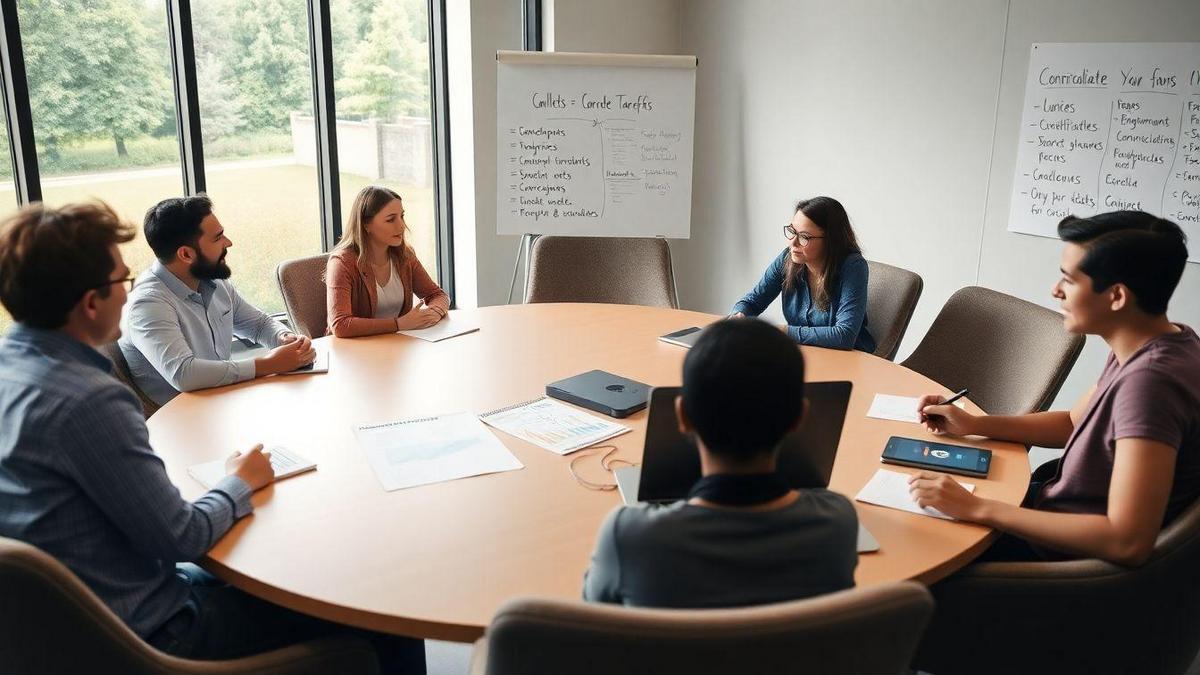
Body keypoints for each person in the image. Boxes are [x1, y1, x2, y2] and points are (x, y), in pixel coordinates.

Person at [0, 202, 425, 671]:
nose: (129, 289)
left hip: (73, 615)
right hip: (153, 630)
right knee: (378, 601)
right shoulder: (89, 402)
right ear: (90, 302)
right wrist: (240, 480)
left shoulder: (13, 370)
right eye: (121, 280)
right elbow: (183, 536)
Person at [909, 211, 1200, 566]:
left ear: (1117, 296)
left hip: (1056, 561)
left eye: (1069, 280)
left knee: (909, 543)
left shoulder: (1151, 385)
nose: (1055, 290)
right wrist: (973, 424)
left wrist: (979, 508)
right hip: (1051, 510)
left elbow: (1127, 541)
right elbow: (1072, 424)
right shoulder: (1157, 340)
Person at [582, 319, 858, 608]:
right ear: (800, 419)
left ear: (682, 415)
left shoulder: (631, 538)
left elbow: (592, 621)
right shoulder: (837, 525)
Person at [119, 195, 315, 406]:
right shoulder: (148, 304)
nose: (228, 242)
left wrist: (283, 338)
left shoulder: (211, 281)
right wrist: (269, 364)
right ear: (186, 254)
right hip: (179, 419)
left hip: (219, 400)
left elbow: (259, 324)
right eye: (218, 237)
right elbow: (184, 374)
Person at [731, 196, 876, 352]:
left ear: (831, 240)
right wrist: (740, 315)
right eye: (792, 231)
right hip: (805, 352)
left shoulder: (853, 266)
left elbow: (844, 336)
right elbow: (752, 301)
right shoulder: (788, 258)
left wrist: (782, 332)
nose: (793, 243)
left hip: (850, 358)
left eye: (804, 237)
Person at [326, 185, 449, 337]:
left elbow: (437, 295)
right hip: (353, 351)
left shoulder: (405, 255)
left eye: (402, 216)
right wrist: (399, 324)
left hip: (396, 346)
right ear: (366, 225)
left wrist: (433, 313)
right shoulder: (342, 263)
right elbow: (340, 324)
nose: (401, 226)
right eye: (391, 219)